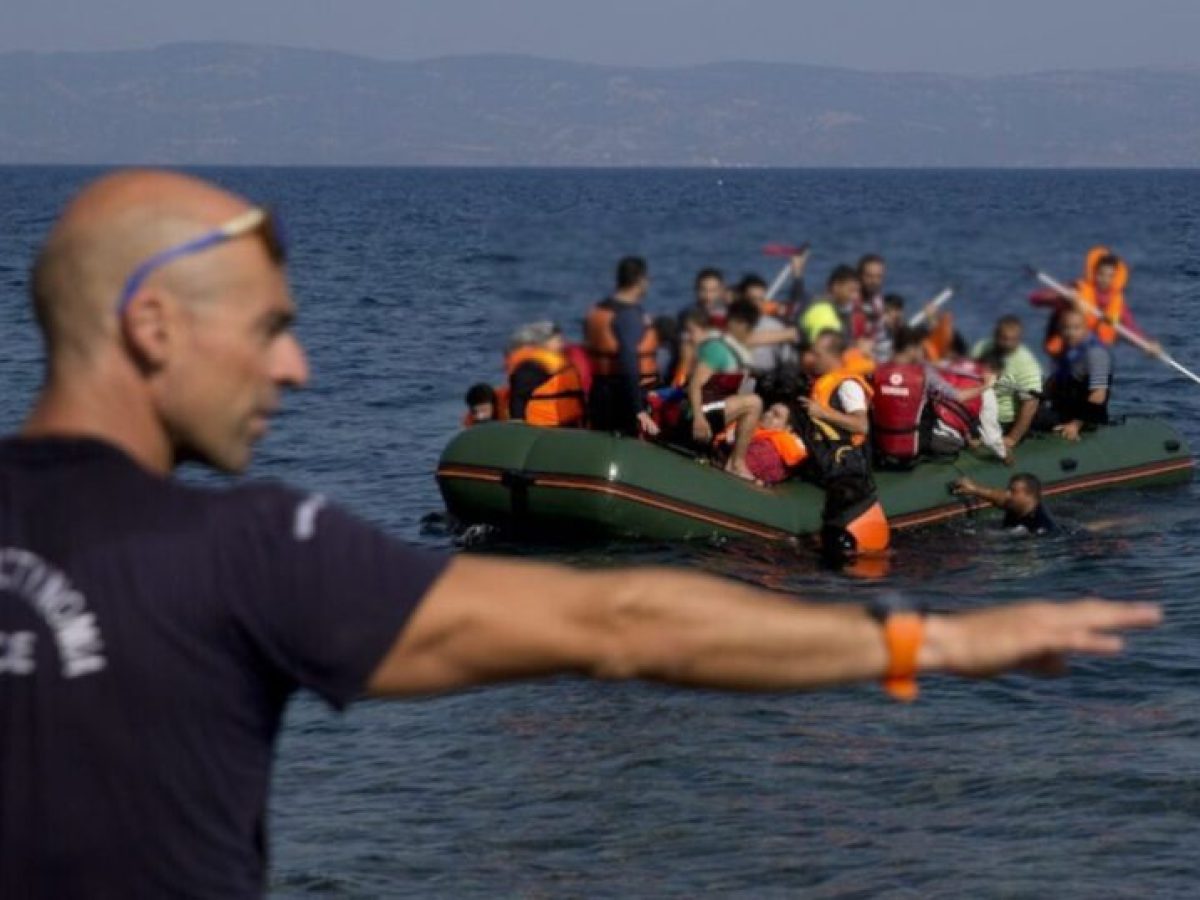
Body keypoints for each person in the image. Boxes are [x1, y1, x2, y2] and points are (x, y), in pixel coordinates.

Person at [2, 170, 1161, 898]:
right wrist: (932, 647)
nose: (298, 365)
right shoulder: (247, 550)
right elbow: (621, 619)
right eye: (267, 328)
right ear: (151, 325)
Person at [798, 330, 889, 561]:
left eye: (817, 354)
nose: (812, 358)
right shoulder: (820, 382)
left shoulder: (848, 386)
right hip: (824, 463)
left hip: (847, 469)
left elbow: (861, 425)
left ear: (833, 356)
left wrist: (822, 412)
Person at [870, 327, 996, 466]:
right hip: (914, 445)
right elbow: (959, 397)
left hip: (880, 444)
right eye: (920, 349)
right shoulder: (925, 374)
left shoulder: (875, 370)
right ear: (912, 348)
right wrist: (986, 386)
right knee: (956, 443)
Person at [682, 299, 764, 478]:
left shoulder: (738, 352)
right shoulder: (717, 349)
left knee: (754, 403)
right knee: (754, 403)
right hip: (698, 415)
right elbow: (695, 384)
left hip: (714, 408)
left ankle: (733, 460)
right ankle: (736, 464)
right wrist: (698, 418)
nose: (750, 333)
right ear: (737, 324)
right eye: (749, 328)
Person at [584, 256, 660, 436]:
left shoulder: (599, 309)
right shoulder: (628, 315)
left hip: (599, 392)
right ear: (640, 280)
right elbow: (628, 361)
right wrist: (638, 409)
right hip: (622, 397)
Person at [1036, 247, 1153, 357]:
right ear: (1094, 273)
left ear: (1115, 278)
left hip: (1094, 355)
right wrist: (1062, 296)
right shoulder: (1077, 289)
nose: (1105, 279)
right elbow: (1036, 298)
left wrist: (1146, 344)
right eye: (1101, 274)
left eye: (1110, 276)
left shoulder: (1118, 303)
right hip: (1066, 352)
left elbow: (1131, 328)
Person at [1039, 308, 1114, 441]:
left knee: (1031, 417)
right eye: (1066, 328)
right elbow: (1054, 382)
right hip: (1062, 411)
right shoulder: (1067, 352)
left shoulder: (1096, 355)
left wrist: (1075, 425)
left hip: (1085, 419)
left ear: (1086, 328)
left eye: (1076, 328)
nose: (1070, 333)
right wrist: (1037, 397)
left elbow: (1098, 395)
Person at [972, 315, 1043, 450]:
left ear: (1019, 339)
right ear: (996, 336)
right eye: (1003, 339)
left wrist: (1012, 438)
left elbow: (1030, 404)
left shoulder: (1027, 365)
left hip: (1004, 419)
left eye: (1013, 340)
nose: (1007, 344)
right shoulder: (982, 348)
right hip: (977, 411)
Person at [505, 321, 586, 428]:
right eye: (557, 340)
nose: (562, 344)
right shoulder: (531, 367)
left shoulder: (563, 364)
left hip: (569, 423)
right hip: (543, 427)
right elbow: (518, 398)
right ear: (543, 342)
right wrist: (517, 421)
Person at [953, 473, 1057, 536]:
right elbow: (998, 498)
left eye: (1013, 491)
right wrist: (974, 489)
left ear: (1029, 495)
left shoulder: (1041, 526)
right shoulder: (1016, 506)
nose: (1007, 494)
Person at [740, 273, 797, 378]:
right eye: (752, 299)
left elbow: (789, 362)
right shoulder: (728, 324)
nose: (757, 304)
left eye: (761, 300)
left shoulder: (776, 326)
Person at [743, 401, 808, 486]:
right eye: (769, 410)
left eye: (776, 415)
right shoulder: (755, 430)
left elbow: (745, 465)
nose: (768, 414)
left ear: (788, 428)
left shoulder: (768, 450)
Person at [799, 265, 865, 345]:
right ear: (836, 287)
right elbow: (826, 348)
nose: (856, 297)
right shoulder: (822, 311)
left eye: (857, 291)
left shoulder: (844, 309)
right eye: (851, 291)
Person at [857, 253, 887, 337]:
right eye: (869, 276)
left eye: (879, 277)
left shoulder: (878, 300)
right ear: (859, 276)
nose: (874, 281)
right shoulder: (851, 301)